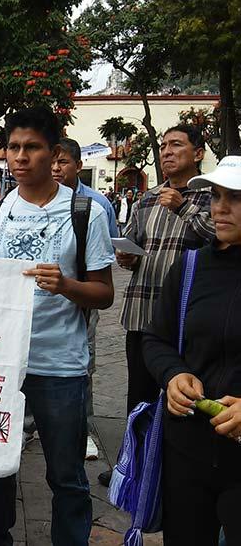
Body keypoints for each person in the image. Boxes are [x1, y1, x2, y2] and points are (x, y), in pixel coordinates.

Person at [0, 107, 115, 546]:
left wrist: (67, 285)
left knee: (66, 475)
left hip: (61, 366)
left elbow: (104, 293)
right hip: (1, 366)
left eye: (32, 147)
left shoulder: (85, 211)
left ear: (54, 153)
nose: (20, 157)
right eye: (13, 147)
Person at [100, 123, 215, 486]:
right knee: (139, 395)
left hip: (188, 315)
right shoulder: (148, 198)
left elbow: (216, 241)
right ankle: (132, 469)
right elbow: (133, 241)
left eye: (176, 145)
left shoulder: (213, 196)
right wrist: (126, 257)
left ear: (198, 153)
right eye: (164, 145)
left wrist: (182, 209)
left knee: (183, 396)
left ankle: (174, 470)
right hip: (143, 311)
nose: (166, 152)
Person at [143, 155, 241, 546]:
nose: (219, 208)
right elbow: (156, 338)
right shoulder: (191, 266)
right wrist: (173, 375)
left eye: (234, 198)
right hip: (187, 451)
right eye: (216, 196)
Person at [52, 137, 120, 461]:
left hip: (81, 303)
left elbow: (107, 253)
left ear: (78, 166)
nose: (55, 168)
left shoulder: (95, 206)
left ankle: (84, 430)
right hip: (43, 308)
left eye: (62, 162)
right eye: (51, 162)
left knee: (83, 367)